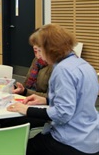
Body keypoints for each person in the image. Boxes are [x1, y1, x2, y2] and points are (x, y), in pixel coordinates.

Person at [7, 24, 99, 155]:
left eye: (40, 50)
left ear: (50, 49)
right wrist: (46, 100)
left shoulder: (62, 70)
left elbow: (63, 114)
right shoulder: (84, 65)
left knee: (21, 149)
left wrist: (26, 110)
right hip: (91, 138)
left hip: (71, 141)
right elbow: (78, 100)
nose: (39, 55)